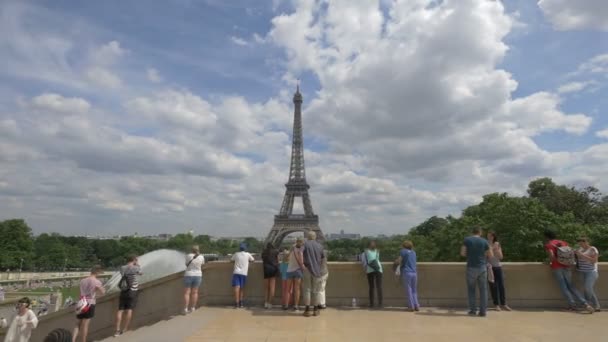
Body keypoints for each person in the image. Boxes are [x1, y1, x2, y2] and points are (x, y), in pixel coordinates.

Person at [543, 229, 594, 313]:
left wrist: (549, 261)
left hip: (557, 267)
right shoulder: (563, 242)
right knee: (571, 286)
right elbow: (570, 253)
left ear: (546, 237)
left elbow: (552, 257)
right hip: (567, 266)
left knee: (564, 287)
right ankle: (586, 304)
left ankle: (572, 305)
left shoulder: (549, 244)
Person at [460, 226, 493, 317]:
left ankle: (473, 310)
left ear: (472, 232)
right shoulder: (484, 241)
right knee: (483, 290)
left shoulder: (467, 240)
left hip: (471, 267)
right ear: (480, 232)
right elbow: (490, 255)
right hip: (482, 268)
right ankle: (483, 312)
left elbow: (463, 253)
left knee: (471, 290)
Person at [72, 266, 105, 342]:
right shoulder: (97, 282)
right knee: (85, 325)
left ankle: (73, 340)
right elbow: (103, 292)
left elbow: (80, 292)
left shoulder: (82, 280)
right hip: (90, 303)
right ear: (97, 272)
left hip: (81, 303)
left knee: (78, 324)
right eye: (99, 273)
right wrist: (99, 289)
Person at [114, 255, 143, 337]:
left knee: (120, 310)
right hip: (132, 291)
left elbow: (123, 275)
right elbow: (141, 273)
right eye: (136, 260)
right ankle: (125, 328)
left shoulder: (122, 267)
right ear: (134, 260)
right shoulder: (135, 267)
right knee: (129, 310)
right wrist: (137, 265)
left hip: (123, 291)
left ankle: (117, 330)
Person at [301, 231, 325, 317]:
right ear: (315, 237)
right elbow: (323, 259)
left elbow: (300, 253)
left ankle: (307, 310)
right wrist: (320, 268)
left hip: (307, 269)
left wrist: (302, 264)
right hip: (317, 271)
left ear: (307, 237)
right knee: (316, 291)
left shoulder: (305, 244)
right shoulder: (320, 246)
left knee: (307, 290)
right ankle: (315, 309)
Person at [487, 231, 511, 311]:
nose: (489, 237)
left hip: (497, 267)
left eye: (491, 236)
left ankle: (504, 304)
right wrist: (490, 249)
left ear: (494, 237)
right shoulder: (485, 244)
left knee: (501, 286)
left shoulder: (497, 244)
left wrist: (496, 249)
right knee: (493, 286)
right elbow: (486, 256)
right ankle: (496, 304)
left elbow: (501, 257)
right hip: (490, 267)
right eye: (488, 236)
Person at [575, 237, 600, 312]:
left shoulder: (593, 249)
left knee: (588, 288)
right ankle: (588, 306)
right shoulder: (579, 250)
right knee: (586, 290)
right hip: (581, 271)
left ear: (587, 242)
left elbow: (594, 261)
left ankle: (596, 305)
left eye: (583, 242)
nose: (581, 243)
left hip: (591, 272)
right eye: (580, 242)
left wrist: (581, 255)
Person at [231, 242, 254, 308]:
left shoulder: (236, 254)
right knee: (242, 288)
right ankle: (241, 302)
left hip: (236, 272)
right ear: (245, 248)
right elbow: (253, 260)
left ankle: (236, 303)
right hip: (244, 273)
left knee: (236, 288)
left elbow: (231, 260)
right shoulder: (248, 254)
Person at [397, 240, 419, 311]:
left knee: (408, 290)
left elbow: (399, 261)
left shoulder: (403, 251)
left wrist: (395, 265)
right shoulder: (414, 252)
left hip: (407, 272)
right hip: (414, 272)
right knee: (414, 290)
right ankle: (416, 305)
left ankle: (411, 306)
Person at [184, 245, 205, 314]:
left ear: (191, 250)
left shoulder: (188, 256)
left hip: (188, 274)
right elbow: (202, 264)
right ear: (198, 250)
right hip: (198, 275)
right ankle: (193, 308)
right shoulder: (201, 257)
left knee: (187, 292)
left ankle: (185, 309)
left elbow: (186, 264)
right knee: (195, 292)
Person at [285, 238, 305, 311]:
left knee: (288, 289)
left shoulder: (292, 250)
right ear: (302, 243)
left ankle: (286, 305)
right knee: (297, 289)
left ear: (296, 242)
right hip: (298, 271)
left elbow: (286, 258)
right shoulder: (301, 251)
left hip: (289, 270)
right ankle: (296, 305)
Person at [364, 240, 383, 308]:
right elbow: (375, 259)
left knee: (374, 287)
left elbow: (371, 260)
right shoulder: (375, 251)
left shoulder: (367, 251)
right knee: (376, 287)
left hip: (371, 269)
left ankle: (374, 304)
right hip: (377, 268)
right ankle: (378, 303)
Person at [261, 243, 279, 309]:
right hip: (273, 270)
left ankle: (265, 303)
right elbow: (277, 261)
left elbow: (263, 260)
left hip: (266, 269)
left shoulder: (264, 252)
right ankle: (270, 303)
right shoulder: (275, 252)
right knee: (272, 288)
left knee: (266, 288)